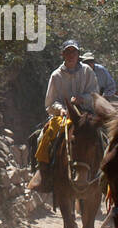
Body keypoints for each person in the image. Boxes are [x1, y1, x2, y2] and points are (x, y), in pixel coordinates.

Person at [27, 40, 99, 194]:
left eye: (74, 52)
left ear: (78, 54)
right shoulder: (56, 75)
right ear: (63, 54)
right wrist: (60, 109)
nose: (71, 55)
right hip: (64, 114)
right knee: (45, 134)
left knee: (104, 134)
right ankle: (43, 171)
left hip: (86, 113)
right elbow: (50, 102)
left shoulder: (87, 72)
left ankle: (108, 174)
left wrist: (82, 99)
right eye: (68, 52)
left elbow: (95, 94)